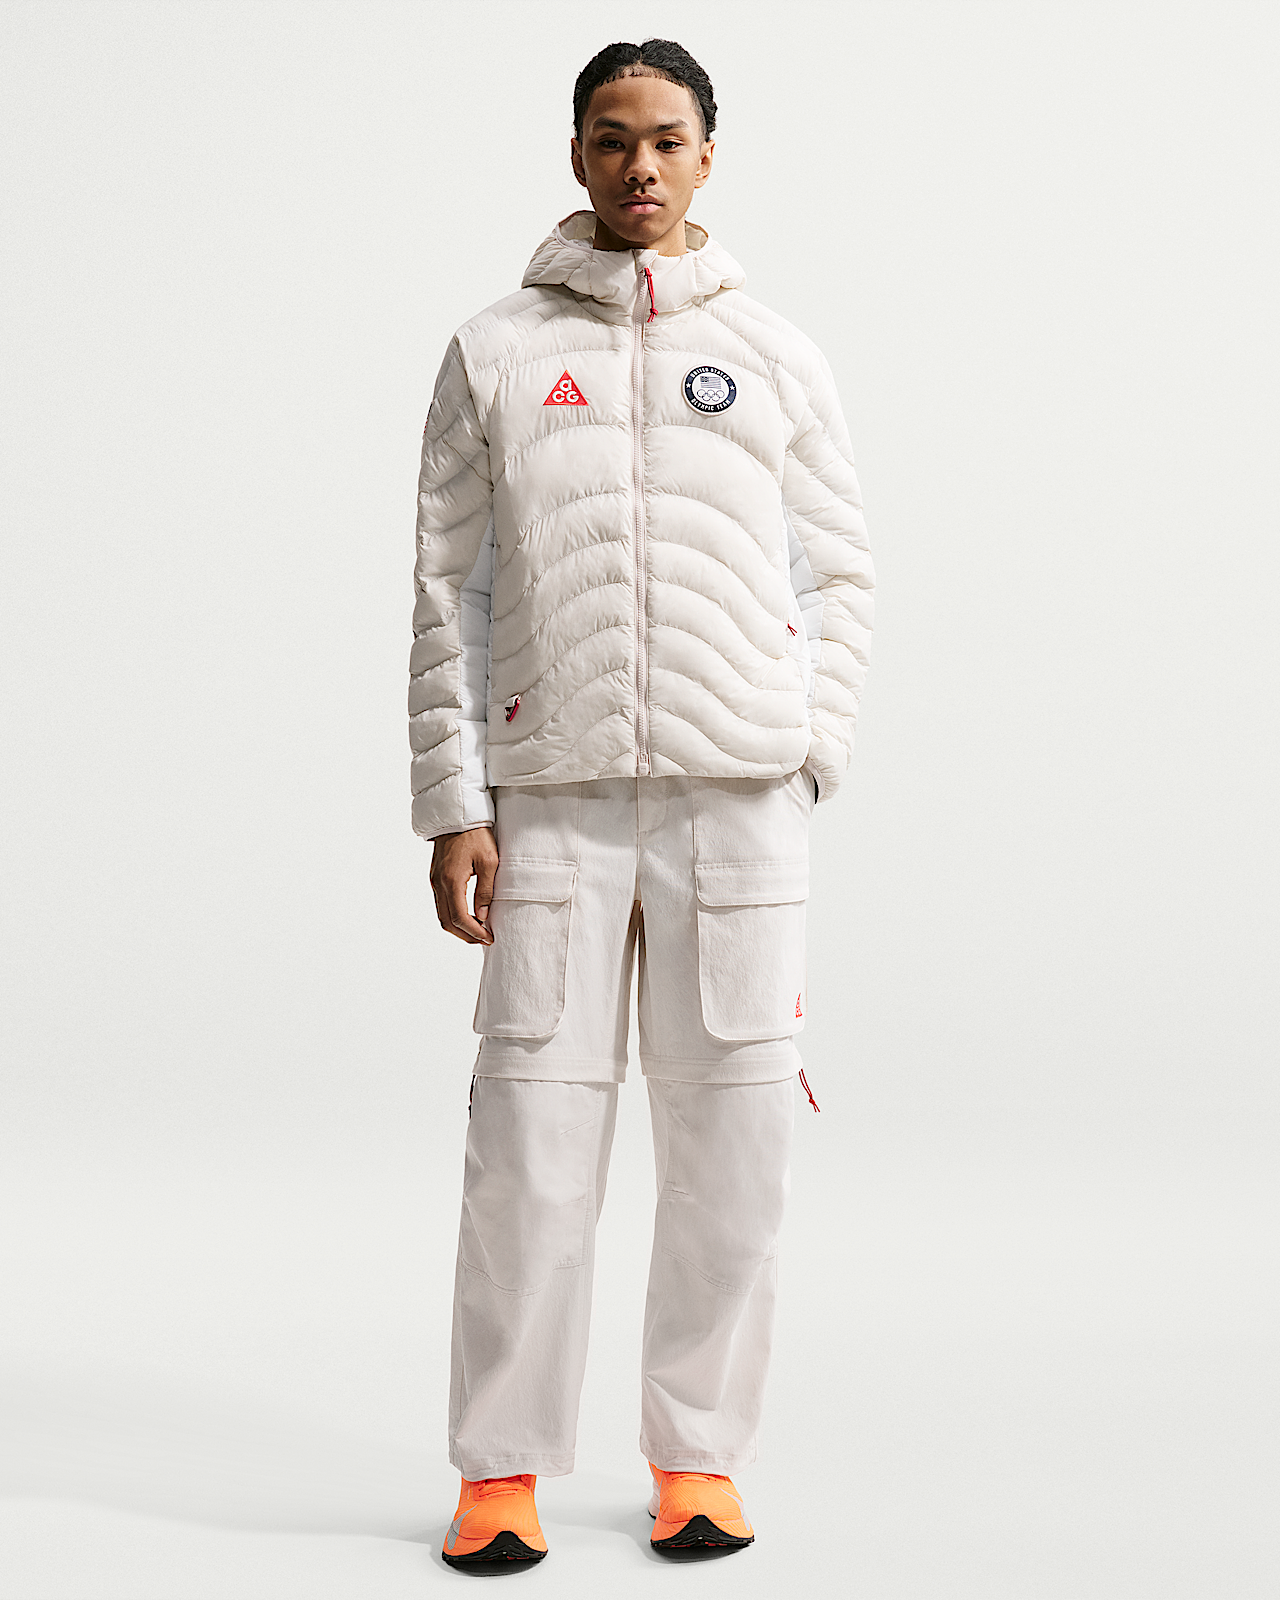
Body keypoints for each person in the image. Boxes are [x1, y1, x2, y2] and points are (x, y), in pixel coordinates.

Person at [410, 37, 874, 1569]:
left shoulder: (778, 353)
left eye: (667, 139)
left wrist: (805, 750)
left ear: (708, 155)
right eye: (612, 139)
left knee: (735, 1151)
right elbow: (449, 590)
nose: (640, 167)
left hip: (738, 809)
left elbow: (841, 571)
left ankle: (699, 1461)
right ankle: (501, 1474)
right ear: (576, 154)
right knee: (528, 1150)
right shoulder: (492, 352)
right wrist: (453, 800)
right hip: (552, 802)